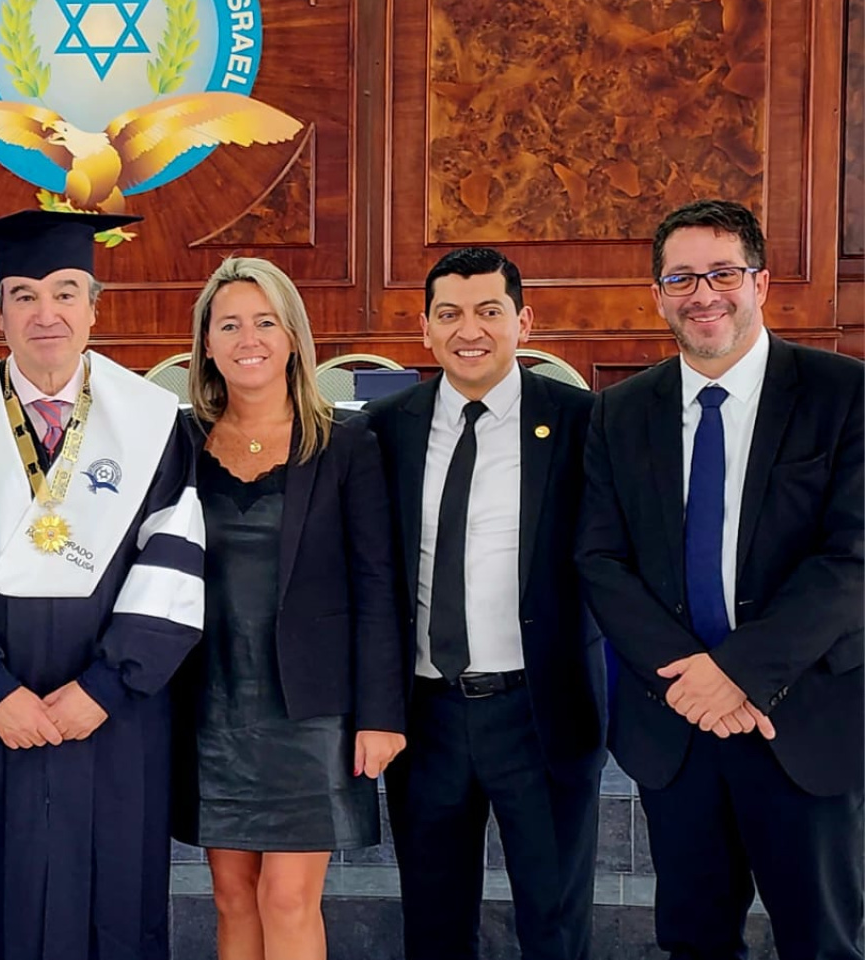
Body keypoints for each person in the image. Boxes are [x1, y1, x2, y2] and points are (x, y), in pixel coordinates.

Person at [0, 209, 206, 960]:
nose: (47, 313)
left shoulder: (154, 421)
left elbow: (175, 562)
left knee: (115, 896)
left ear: (95, 305)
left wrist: (106, 685)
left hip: (113, 711)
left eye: (66, 292)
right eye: (24, 295)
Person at [577, 200, 863, 960]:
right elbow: (601, 562)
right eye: (682, 277)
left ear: (762, 282)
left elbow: (852, 560)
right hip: (677, 728)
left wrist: (733, 675)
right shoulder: (618, 413)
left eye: (723, 272)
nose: (704, 293)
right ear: (658, 294)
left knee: (824, 943)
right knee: (695, 942)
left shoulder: (844, 394)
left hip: (801, 720)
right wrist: (693, 685)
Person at [364, 247, 606, 960]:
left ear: (523, 322)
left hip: (541, 713)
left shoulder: (583, 423)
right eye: (450, 314)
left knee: (554, 927)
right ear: (425, 328)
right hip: (427, 715)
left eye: (489, 311)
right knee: (435, 927)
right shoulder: (381, 431)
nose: (470, 330)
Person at [170, 257, 403, 960]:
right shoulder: (176, 444)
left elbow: (377, 585)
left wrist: (382, 715)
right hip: (210, 704)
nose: (249, 338)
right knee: (232, 895)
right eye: (230, 323)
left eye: (265, 321)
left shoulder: (348, 443)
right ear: (206, 343)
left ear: (293, 336)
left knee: (288, 897)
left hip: (312, 711)